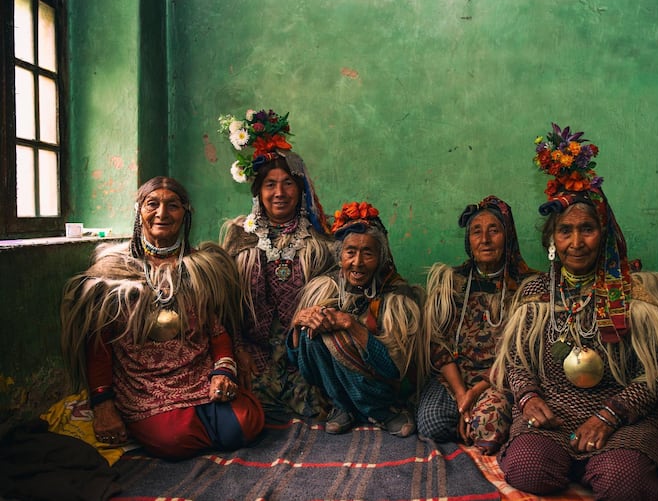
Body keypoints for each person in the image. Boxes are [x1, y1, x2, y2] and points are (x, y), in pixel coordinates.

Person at [492, 124, 658, 500]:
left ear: (605, 234)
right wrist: (529, 398)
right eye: (565, 231)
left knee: (624, 481)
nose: (576, 242)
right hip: (552, 415)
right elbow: (515, 361)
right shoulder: (535, 294)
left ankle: (608, 468)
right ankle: (575, 466)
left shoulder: (636, 296)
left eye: (587, 229)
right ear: (552, 240)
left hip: (622, 420)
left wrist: (607, 418)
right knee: (528, 470)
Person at [60, 176, 265, 460]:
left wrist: (222, 372)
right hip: (143, 385)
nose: (162, 214)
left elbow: (217, 332)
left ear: (186, 212)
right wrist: (103, 405)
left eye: (173, 206)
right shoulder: (113, 270)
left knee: (246, 425)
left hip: (198, 376)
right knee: (174, 441)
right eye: (152, 204)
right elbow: (99, 344)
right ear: (138, 211)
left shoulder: (202, 268)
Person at [219, 108, 336, 421]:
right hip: (254, 352)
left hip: (303, 351)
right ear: (258, 191)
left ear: (300, 190)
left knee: (319, 407)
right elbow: (225, 305)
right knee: (242, 407)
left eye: (288, 184)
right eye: (270, 184)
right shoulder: (238, 235)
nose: (280, 193)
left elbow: (342, 296)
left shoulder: (321, 238)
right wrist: (238, 348)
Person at [287, 201, 421, 437]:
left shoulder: (396, 296)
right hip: (334, 385)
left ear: (381, 257)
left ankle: (380, 411)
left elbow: (394, 368)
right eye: (350, 252)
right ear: (340, 256)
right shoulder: (325, 287)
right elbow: (298, 360)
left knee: (335, 334)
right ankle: (342, 406)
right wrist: (299, 323)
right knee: (313, 331)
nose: (357, 263)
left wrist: (350, 324)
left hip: (381, 386)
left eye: (367, 253)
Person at [416, 196, 535, 454]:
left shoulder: (527, 287)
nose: (485, 240)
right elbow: (438, 344)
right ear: (468, 241)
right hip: (455, 378)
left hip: (499, 380)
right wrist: (462, 396)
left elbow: (521, 353)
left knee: (487, 432)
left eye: (494, 230)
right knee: (432, 424)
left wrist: (477, 392)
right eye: (476, 232)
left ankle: (478, 419)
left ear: (508, 236)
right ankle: (466, 416)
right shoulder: (451, 282)